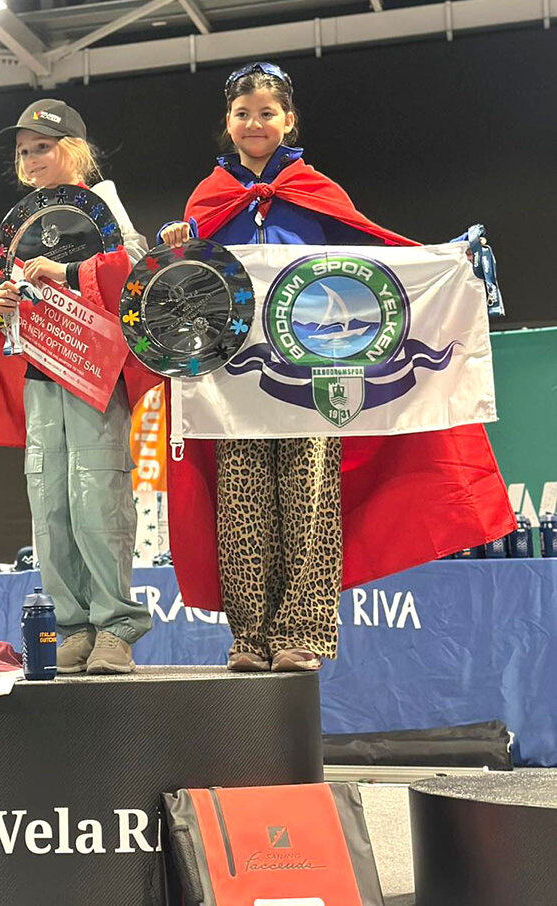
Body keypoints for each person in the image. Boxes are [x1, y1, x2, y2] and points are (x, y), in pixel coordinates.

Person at [159, 62, 514, 673]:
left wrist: (446, 259)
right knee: (242, 504)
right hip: (235, 379)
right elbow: (186, 285)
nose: (254, 123)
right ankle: (250, 638)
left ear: (289, 120)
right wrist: (178, 242)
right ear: (228, 122)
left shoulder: (316, 191)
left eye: (267, 112)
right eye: (242, 114)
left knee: (311, 499)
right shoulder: (205, 200)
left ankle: (303, 633)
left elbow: (375, 256)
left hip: (314, 373)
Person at [0, 99, 157, 674]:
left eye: (42, 147)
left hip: (93, 377)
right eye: (23, 151)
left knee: (97, 499)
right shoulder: (20, 222)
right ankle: (72, 627)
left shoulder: (104, 204)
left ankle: (116, 627)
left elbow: (136, 266)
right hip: (41, 377)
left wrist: (67, 272)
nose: (30, 158)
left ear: (73, 149)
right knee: (50, 505)